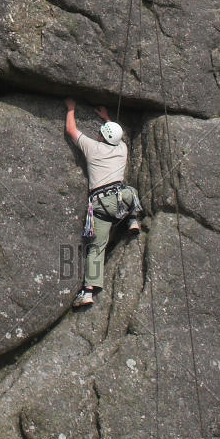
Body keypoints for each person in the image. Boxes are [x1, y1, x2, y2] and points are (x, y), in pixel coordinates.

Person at [65, 100, 143, 308]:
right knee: (131, 191)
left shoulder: (93, 148)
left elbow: (71, 130)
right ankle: (132, 219)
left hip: (99, 207)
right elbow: (119, 138)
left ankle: (88, 291)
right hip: (120, 202)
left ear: (102, 137)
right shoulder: (123, 149)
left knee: (96, 249)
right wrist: (107, 118)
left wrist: (71, 107)